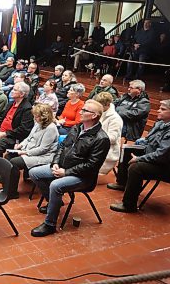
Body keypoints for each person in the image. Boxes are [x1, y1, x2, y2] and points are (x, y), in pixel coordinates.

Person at [29, 100, 110, 237]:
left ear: (94, 115)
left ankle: (50, 225)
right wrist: (56, 162)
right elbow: (62, 146)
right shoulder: (77, 127)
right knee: (34, 173)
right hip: (62, 168)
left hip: (83, 177)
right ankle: (55, 202)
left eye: (85, 111)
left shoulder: (101, 139)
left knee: (55, 185)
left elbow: (91, 166)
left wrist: (66, 172)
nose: (81, 112)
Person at [109, 100, 170, 213]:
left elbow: (162, 156)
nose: (158, 110)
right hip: (160, 157)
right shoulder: (164, 122)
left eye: (163, 109)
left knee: (136, 168)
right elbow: (151, 140)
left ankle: (129, 205)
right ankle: (122, 183)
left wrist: (139, 158)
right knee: (127, 149)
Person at [7, 104, 59, 199]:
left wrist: (25, 153)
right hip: (31, 150)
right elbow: (29, 138)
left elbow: (43, 149)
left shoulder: (51, 128)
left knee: (14, 162)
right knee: (8, 156)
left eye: (37, 116)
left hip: (44, 156)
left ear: (45, 116)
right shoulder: (38, 124)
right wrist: (20, 145)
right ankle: (6, 186)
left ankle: (11, 192)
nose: (35, 118)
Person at [0, 82, 34, 161]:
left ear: (22, 94)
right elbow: (1, 118)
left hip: (13, 136)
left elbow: (23, 129)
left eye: (15, 90)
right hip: (0, 132)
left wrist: (5, 134)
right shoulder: (11, 103)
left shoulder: (27, 109)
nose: (12, 91)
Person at [93, 92, 123, 175]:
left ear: (107, 104)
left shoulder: (115, 119)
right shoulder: (99, 113)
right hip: (95, 146)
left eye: (100, 105)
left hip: (107, 151)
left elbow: (112, 139)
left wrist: (93, 139)